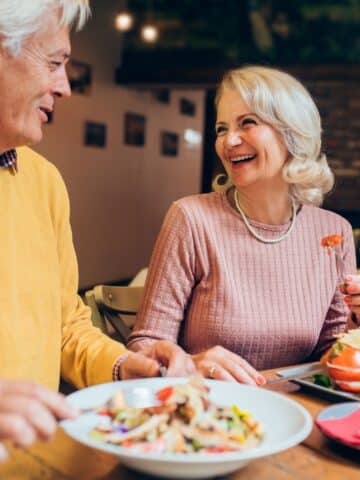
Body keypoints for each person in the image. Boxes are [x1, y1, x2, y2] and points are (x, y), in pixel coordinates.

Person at [0, 0, 194, 460]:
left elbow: (66, 328)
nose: (65, 87)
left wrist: (129, 365)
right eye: (54, 63)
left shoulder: (43, 182)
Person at [128, 65, 357, 384]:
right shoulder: (192, 219)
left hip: (298, 413)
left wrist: (357, 326)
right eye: (222, 128)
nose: (228, 141)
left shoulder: (334, 232)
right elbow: (145, 348)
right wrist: (193, 363)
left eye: (247, 123)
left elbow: (332, 354)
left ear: (292, 132)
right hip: (212, 412)